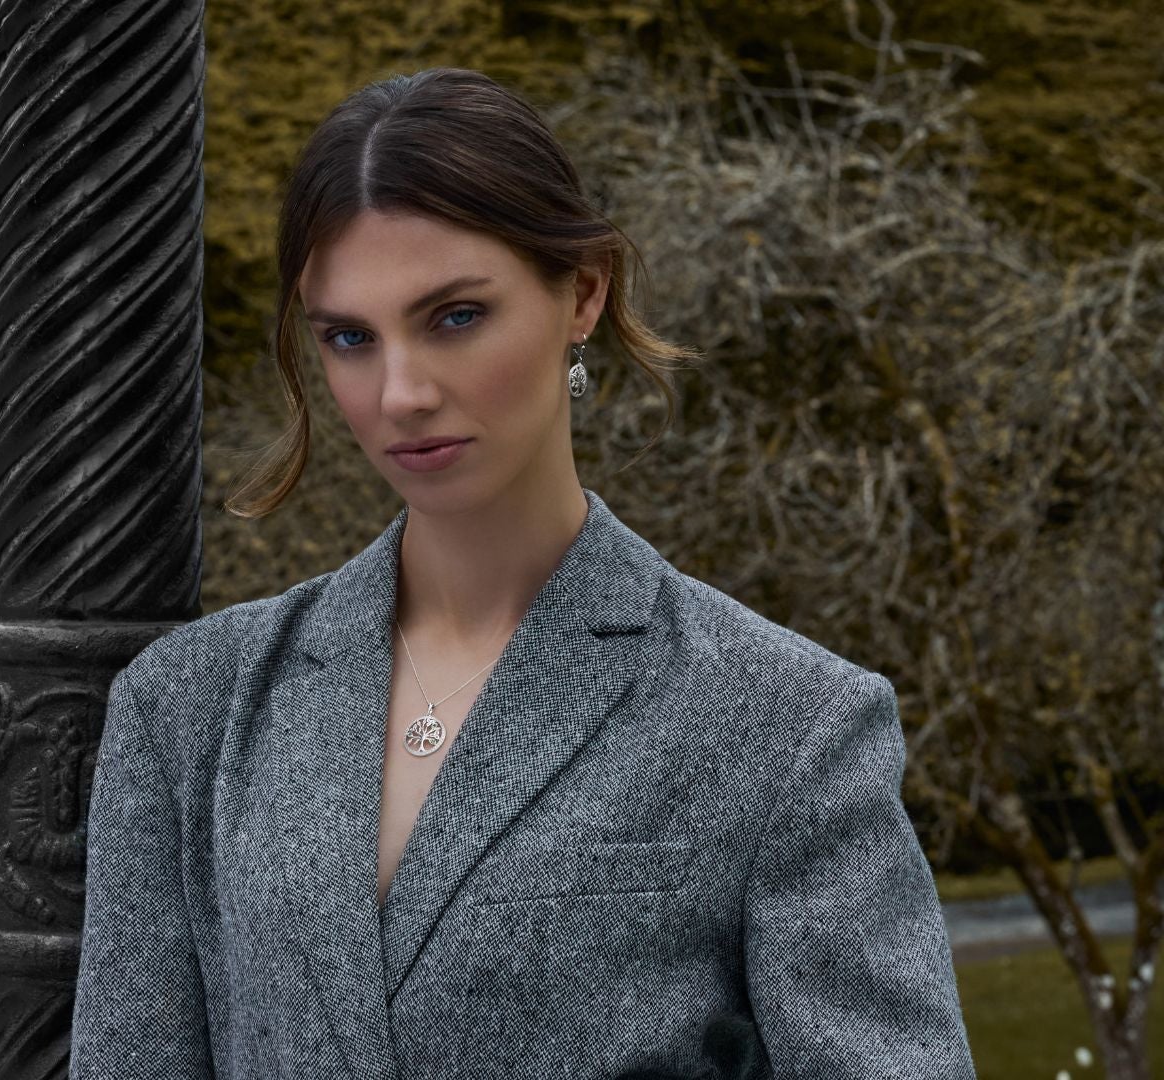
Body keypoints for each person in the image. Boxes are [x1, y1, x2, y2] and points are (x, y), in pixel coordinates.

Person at [69, 66, 976, 1080]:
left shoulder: (786, 721)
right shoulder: (190, 707)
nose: (401, 393)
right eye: (348, 338)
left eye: (454, 316)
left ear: (582, 294)